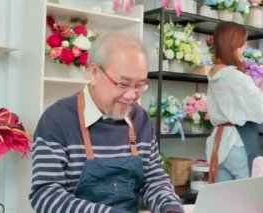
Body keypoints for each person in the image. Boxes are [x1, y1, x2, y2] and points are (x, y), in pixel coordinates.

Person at [29, 33, 184, 213]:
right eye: (123, 84)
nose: (132, 95)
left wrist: (170, 208)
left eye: (140, 85)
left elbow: (154, 179)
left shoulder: (140, 119)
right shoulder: (57, 120)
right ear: (94, 72)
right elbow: (45, 194)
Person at [206, 22, 263, 183]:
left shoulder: (215, 75)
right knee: (248, 198)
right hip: (238, 142)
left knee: (225, 201)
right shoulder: (237, 77)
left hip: (218, 146)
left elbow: (233, 105)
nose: (244, 48)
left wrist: (259, 88)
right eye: (242, 44)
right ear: (231, 45)